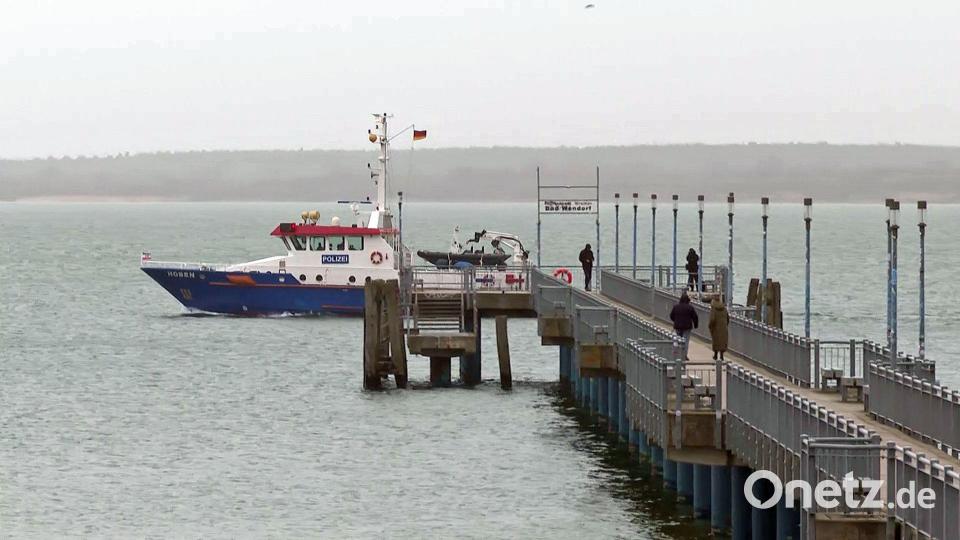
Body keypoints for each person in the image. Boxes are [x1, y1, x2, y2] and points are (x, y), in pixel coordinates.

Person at [669, 293, 698, 360]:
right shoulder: (690, 307)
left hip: (678, 326)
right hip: (687, 327)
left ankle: (677, 355)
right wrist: (695, 325)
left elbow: (671, 316)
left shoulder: (676, 307)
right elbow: (695, 317)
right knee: (685, 342)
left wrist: (675, 321)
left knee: (677, 341)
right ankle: (684, 356)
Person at [708, 295, 729, 360]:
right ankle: (722, 355)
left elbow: (712, 319)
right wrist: (725, 324)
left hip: (716, 327)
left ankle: (715, 355)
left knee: (716, 341)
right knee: (723, 341)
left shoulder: (713, 309)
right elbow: (728, 318)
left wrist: (710, 326)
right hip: (723, 327)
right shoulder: (724, 308)